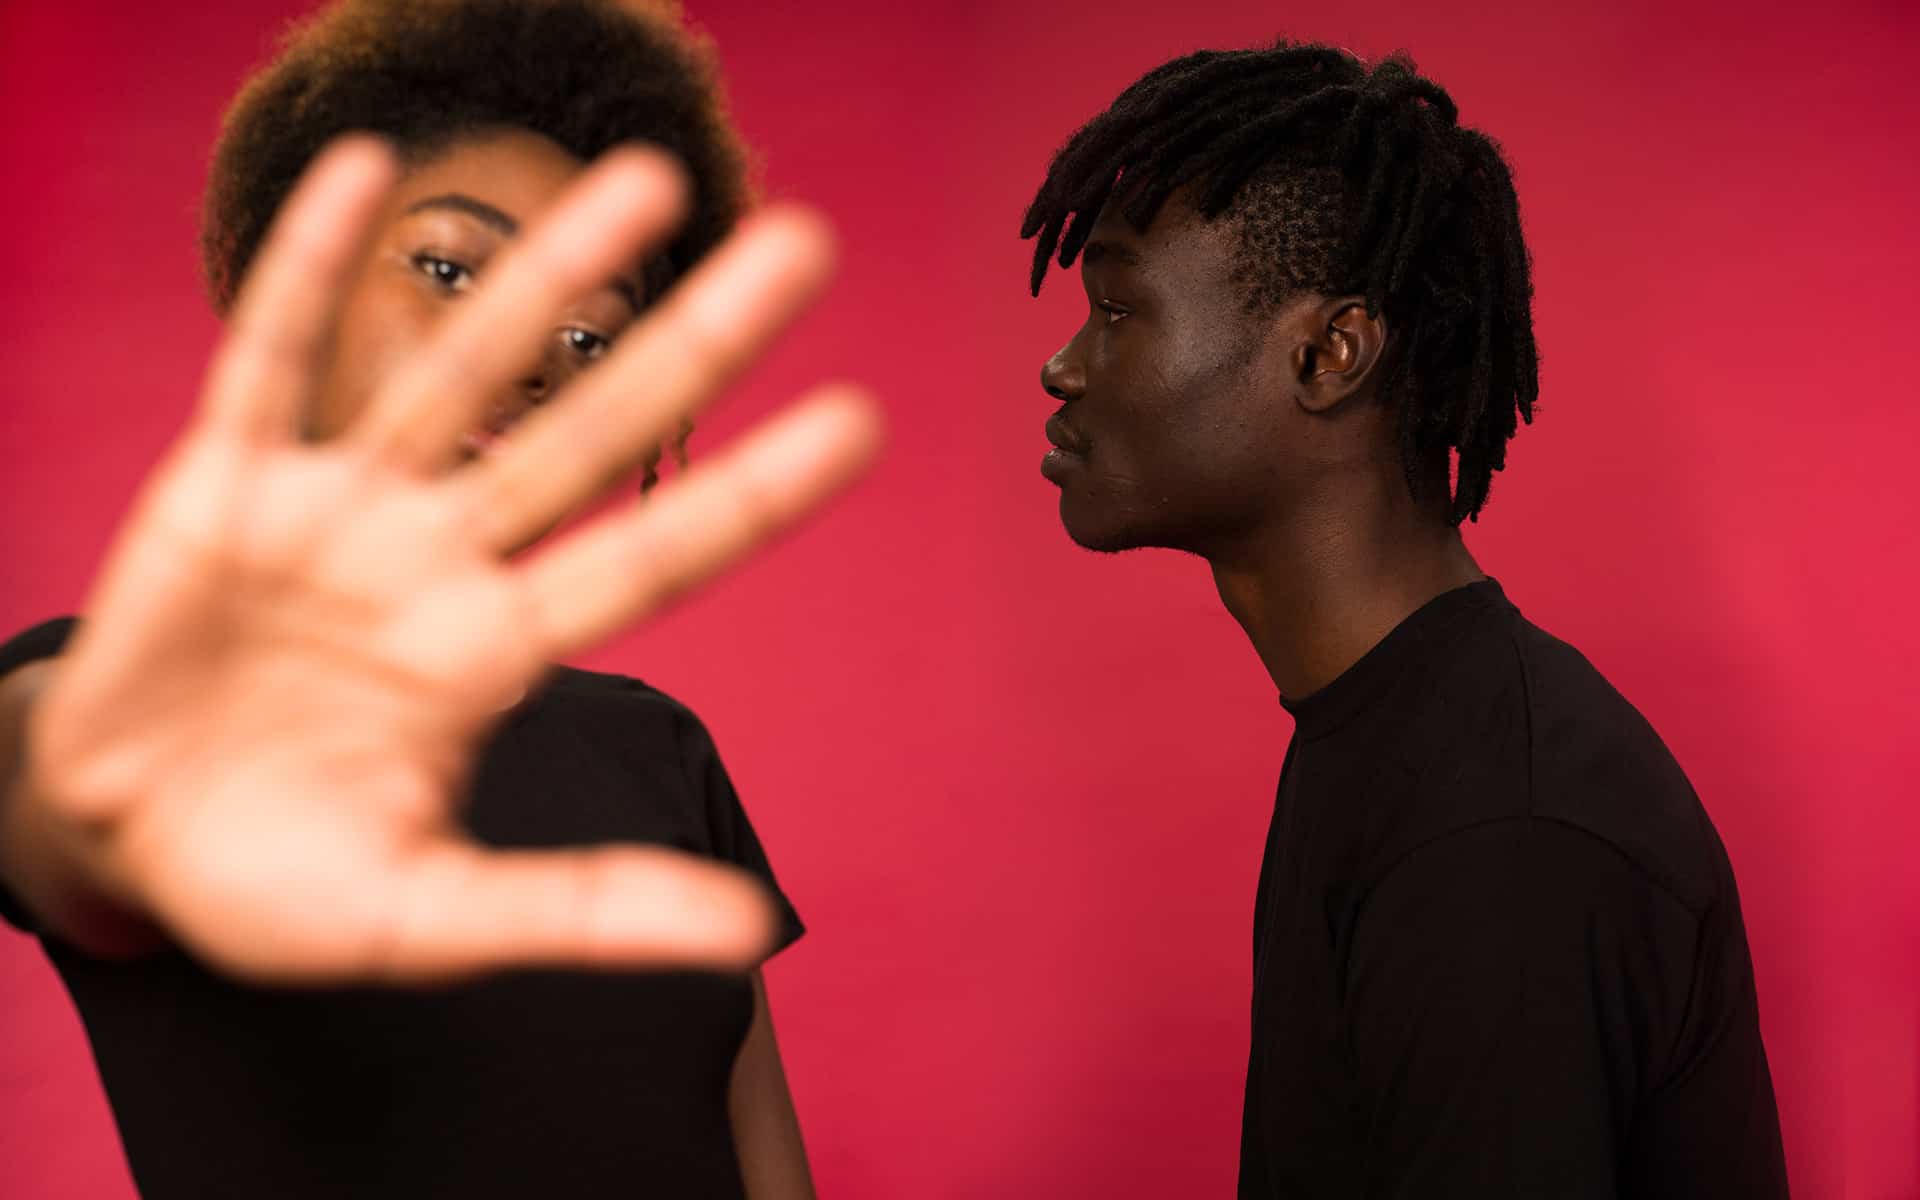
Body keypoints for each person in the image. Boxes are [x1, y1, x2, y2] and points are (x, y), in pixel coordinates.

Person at [0, 1, 879, 1197]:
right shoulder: (128, 698)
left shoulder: (658, 748)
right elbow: (64, 788)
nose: (525, 356)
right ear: (286, 287)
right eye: (451, 265)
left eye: (590, 337)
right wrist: (107, 792)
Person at [1023, 41, 1788, 1197]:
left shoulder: (1498, 836)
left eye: (1121, 307)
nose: (1061, 366)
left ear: (1331, 354)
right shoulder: (1390, 735)